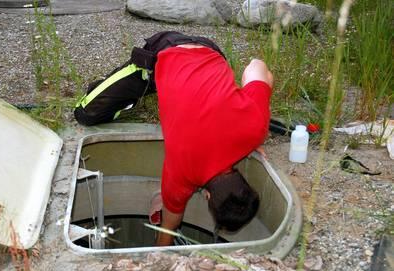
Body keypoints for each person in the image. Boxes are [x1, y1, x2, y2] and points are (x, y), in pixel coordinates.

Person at [74, 31, 273, 246]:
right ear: (207, 196)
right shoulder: (182, 174)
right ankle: (144, 82)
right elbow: (169, 225)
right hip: (163, 51)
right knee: (85, 113)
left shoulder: (256, 129)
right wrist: (159, 252)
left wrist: (255, 132)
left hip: (212, 53)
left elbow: (257, 66)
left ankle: (162, 84)